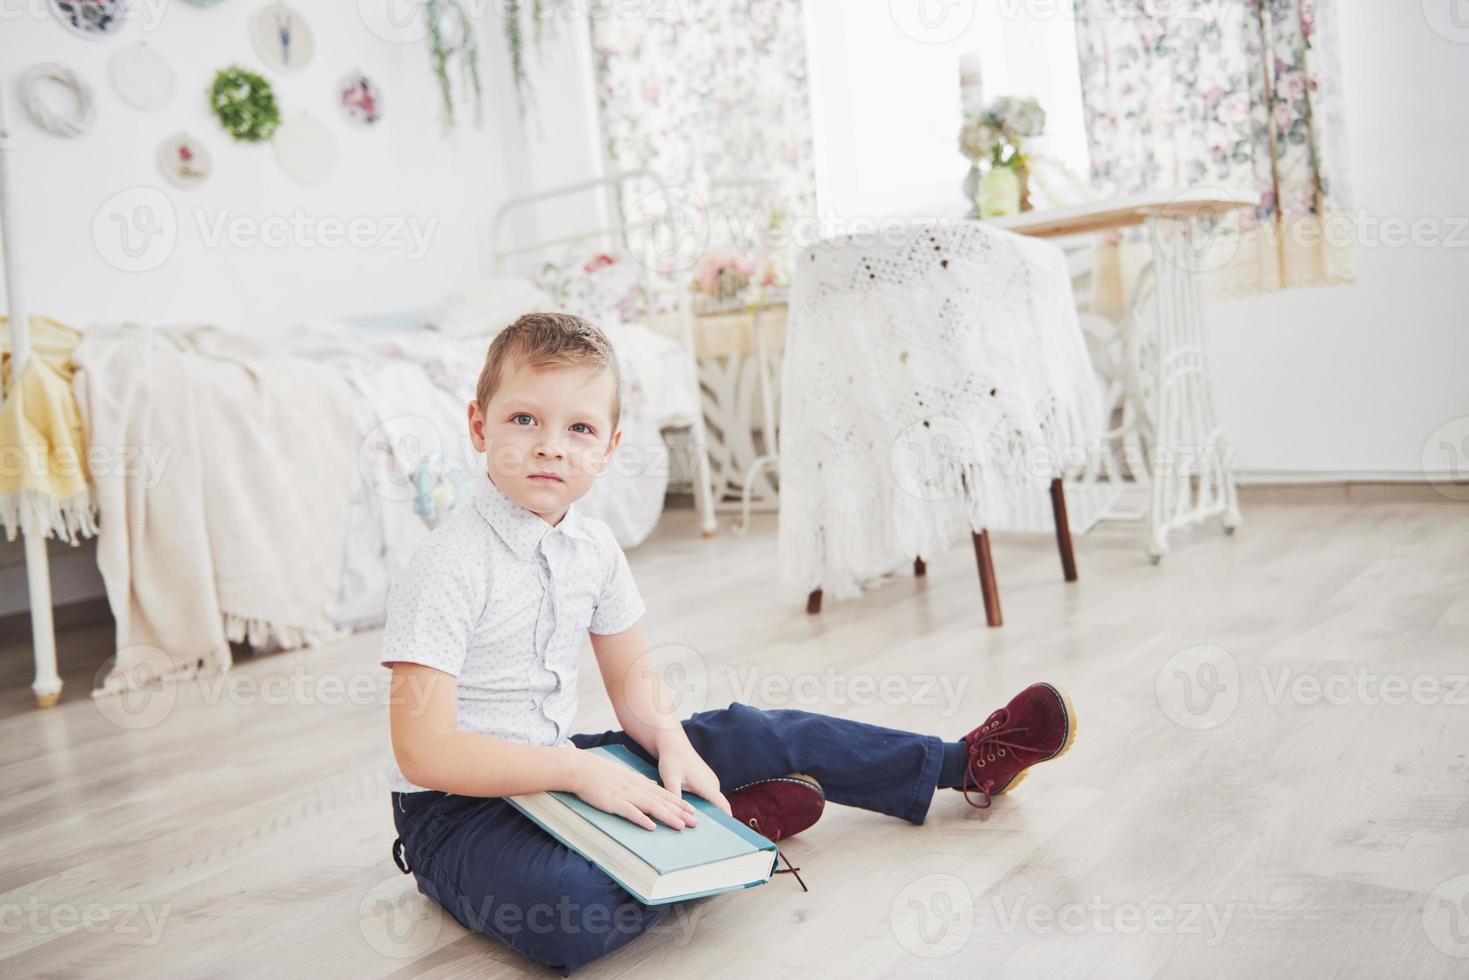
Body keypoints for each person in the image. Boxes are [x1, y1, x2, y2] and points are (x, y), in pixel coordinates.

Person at [383, 312, 1078, 974]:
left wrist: (674, 748)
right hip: (457, 812)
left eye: (580, 427)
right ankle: (738, 829)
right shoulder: (447, 564)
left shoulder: (593, 548)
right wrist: (578, 773)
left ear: (610, 447)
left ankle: (965, 763)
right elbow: (425, 750)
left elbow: (632, 684)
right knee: (566, 912)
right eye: (524, 419)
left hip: (561, 769)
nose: (550, 445)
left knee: (758, 731)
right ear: (479, 427)